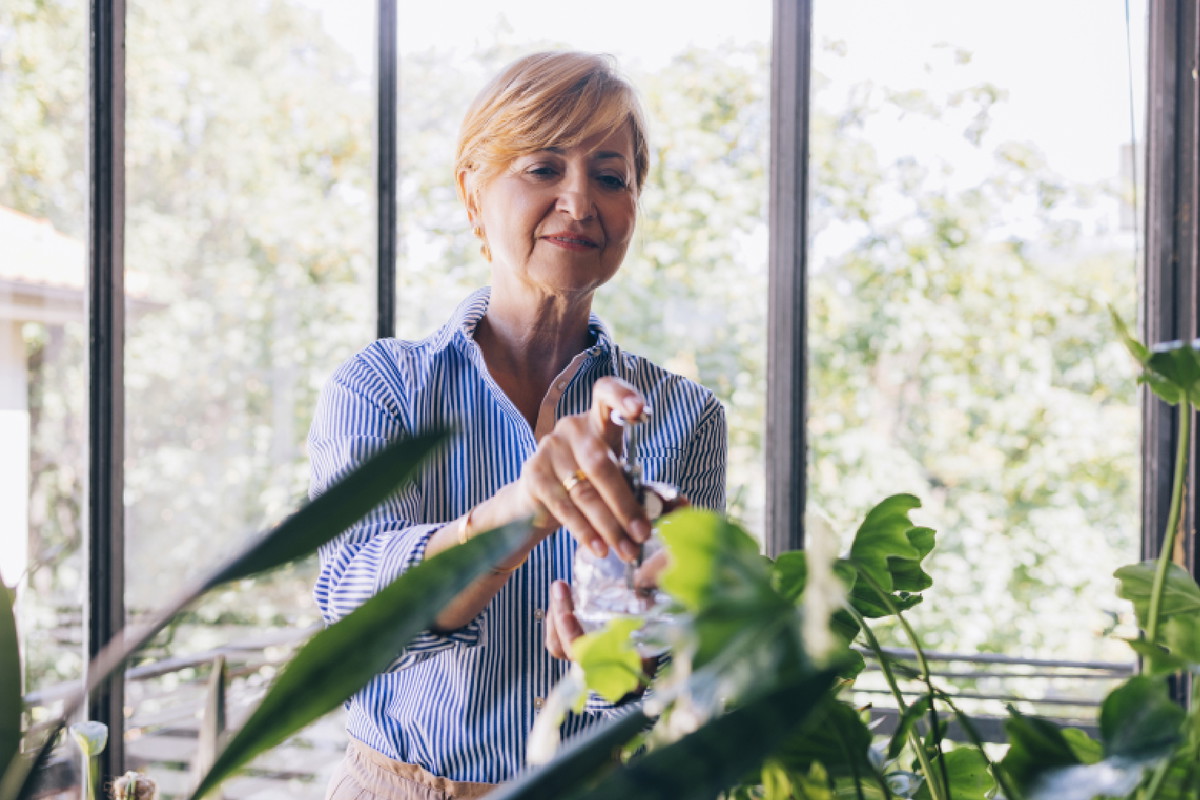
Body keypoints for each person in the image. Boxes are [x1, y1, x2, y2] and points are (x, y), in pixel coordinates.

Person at [309, 51, 727, 800]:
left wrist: (634, 656)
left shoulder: (686, 418)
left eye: (611, 175)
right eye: (542, 167)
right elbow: (354, 615)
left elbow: (685, 656)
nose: (579, 201)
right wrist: (520, 511)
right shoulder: (381, 388)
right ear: (473, 192)